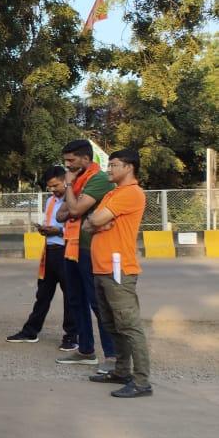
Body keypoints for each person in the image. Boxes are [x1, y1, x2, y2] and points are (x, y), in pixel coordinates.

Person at [83, 149, 152, 398]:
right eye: (109, 165)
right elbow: (87, 224)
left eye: (113, 165)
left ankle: (142, 382)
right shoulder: (112, 193)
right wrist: (98, 223)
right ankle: (122, 371)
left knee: (129, 326)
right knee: (112, 324)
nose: (109, 169)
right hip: (102, 268)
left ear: (129, 167)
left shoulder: (131, 193)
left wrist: (97, 222)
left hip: (118, 269)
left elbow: (95, 219)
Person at [55, 140, 118, 374]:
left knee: (97, 303)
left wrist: (70, 188)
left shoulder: (98, 179)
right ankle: (85, 350)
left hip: (91, 249)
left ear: (85, 158)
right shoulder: (78, 182)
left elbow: (73, 210)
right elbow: (61, 215)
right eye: (65, 160)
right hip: (72, 247)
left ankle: (112, 356)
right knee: (75, 300)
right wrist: (73, 195)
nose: (67, 165)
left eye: (71, 160)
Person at [7, 167, 77, 349]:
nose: (53, 189)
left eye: (56, 185)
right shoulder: (50, 201)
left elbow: (78, 227)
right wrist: (45, 230)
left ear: (65, 181)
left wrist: (59, 231)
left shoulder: (75, 199)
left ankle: (71, 337)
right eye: (50, 186)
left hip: (67, 251)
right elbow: (51, 224)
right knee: (43, 295)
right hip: (50, 251)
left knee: (70, 297)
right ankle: (30, 332)